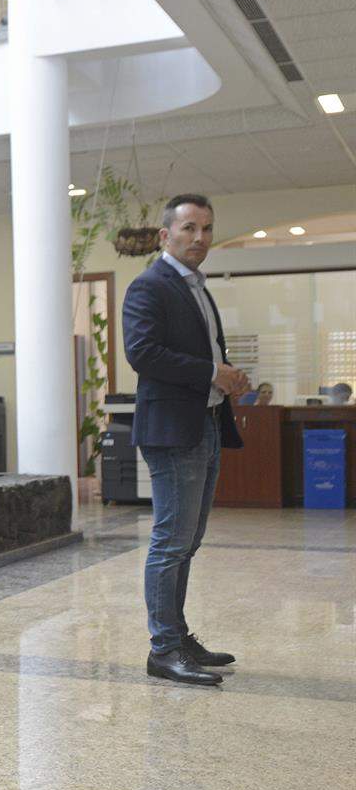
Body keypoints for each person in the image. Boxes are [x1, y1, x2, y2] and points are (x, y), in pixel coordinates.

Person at [121, 193, 246, 688]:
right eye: (189, 228)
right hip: (174, 433)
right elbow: (144, 353)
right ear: (164, 235)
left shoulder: (195, 285)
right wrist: (213, 372)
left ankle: (178, 634)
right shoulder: (150, 285)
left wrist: (223, 377)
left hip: (206, 423)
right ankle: (163, 649)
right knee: (171, 543)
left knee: (188, 542)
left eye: (207, 229)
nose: (200, 238)